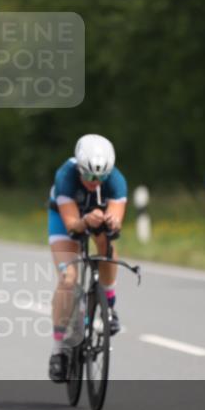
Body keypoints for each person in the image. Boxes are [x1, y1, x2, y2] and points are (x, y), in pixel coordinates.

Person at [47, 134, 127, 383]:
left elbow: (115, 220)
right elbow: (72, 225)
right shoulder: (65, 177)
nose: (95, 182)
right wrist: (85, 220)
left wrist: (110, 221)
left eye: (101, 177)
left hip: (96, 217)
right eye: (90, 176)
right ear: (80, 169)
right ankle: (59, 349)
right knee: (69, 278)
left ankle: (109, 306)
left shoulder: (116, 181)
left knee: (108, 245)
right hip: (65, 219)